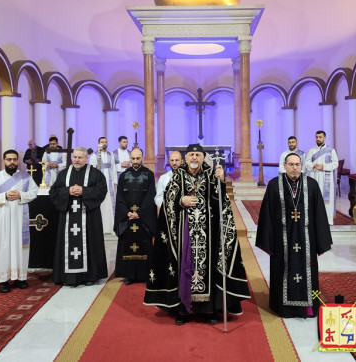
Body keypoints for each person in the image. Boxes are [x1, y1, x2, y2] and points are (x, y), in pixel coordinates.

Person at [144, 144, 250, 325]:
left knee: (208, 269)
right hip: (183, 235)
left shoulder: (211, 175)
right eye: (191, 154)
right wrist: (181, 201)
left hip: (208, 235)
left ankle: (208, 310)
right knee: (184, 268)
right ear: (186, 158)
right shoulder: (177, 177)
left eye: (198, 155)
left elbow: (221, 203)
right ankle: (183, 310)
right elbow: (168, 201)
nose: (194, 158)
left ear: (203, 158)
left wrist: (220, 182)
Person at [256, 153, 332, 318]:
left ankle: (307, 308)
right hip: (281, 240)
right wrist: (268, 240)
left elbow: (319, 213)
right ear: (284, 166)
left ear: (301, 166)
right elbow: (267, 214)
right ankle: (283, 308)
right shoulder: (274, 185)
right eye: (291, 164)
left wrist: (321, 240)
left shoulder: (311, 185)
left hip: (307, 239)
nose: (294, 168)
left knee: (307, 271)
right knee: (282, 271)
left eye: (297, 164)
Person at [49, 147, 108, 286]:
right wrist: (67, 191)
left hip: (88, 217)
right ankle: (68, 277)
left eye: (80, 157)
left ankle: (90, 277)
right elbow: (54, 192)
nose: (76, 160)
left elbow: (102, 191)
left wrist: (84, 191)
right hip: (68, 216)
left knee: (90, 244)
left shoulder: (96, 174)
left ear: (86, 158)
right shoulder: (64, 174)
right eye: (75, 157)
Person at [0, 149, 38, 293]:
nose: (12, 162)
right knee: (3, 246)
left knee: (20, 246)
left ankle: (21, 277)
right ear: (3, 161)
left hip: (20, 217)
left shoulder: (25, 177)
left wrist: (21, 195)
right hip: (2, 217)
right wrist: (4, 196)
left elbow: (34, 192)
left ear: (18, 161)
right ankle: (3, 280)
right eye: (9, 159)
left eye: (14, 159)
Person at [114, 147, 157, 285]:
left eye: (138, 158)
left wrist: (140, 213)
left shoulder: (149, 174)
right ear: (130, 158)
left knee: (144, 245)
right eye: (133, 158)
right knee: (127, 245)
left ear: (142, 158)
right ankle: (129, 275)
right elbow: (120, 197)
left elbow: (151, 196)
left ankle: (145, 274)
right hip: (128, 218)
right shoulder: (124, 175)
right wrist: (127, 212)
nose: (136, 161)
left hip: (143, 218)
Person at [305, 130, 339, 225]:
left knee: (327, 199)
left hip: (326, 179)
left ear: (324, 138)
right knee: (314, 198)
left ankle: (327, 220)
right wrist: (313, 165)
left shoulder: (331, 150)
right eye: (316, 137)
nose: (318, 139)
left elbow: (335, 163)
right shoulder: (312, 150)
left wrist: (323, 166)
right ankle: (315, 220)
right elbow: (307, 162)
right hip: (315, 176)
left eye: (320, 137)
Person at [89, 136, 117, 234]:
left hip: (109, 183)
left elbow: (113, 168)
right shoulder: (94, 156)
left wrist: (114, 181)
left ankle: (110, 227)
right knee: (101, 204)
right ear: (98, 143)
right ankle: (99, 227)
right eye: (102, 142)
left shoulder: (110, 155)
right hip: (99, 184)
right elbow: (91, 170)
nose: (104, 143)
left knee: (109, 204)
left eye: (105, 142)